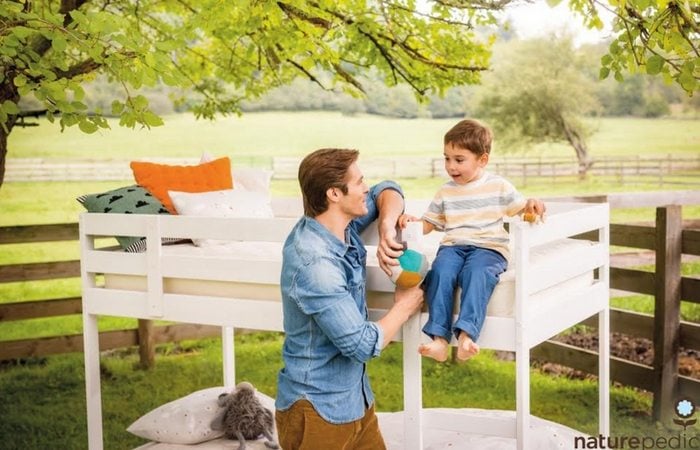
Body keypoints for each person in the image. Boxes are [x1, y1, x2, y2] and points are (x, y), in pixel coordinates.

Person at [275, 148, 424, 450]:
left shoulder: (342, 225)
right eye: (358, 182)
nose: (366, 187)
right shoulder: (314, 263)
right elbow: (361, 344)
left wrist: (385, 226)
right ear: (334, 193)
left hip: (356, 403)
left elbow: (388, 189)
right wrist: (405, 305)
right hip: (316, 410)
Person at [398, 119, 546, 363]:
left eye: (459, 159)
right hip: (453, 247)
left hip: (489, 249)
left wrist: (531, 204)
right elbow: (430, 223)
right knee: (440, 273)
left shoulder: (498, 186)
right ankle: (439, 340)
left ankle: (466, 336)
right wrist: (414, 222)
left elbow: (521, 209)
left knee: (477, 274)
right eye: (447, 158)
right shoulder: (446, 191)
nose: (451, 166)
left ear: (482, 160)